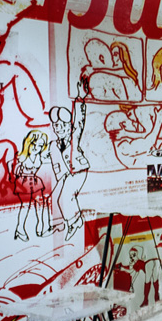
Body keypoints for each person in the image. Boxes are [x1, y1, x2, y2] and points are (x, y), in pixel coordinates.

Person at [48, 87, 89, 241]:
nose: (60, 129)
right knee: (56, 197)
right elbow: (55, 165)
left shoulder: (74, 138)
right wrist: (60, 179)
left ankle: (75, 221)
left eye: (64, 125)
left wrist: (80, 99)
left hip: (79, 170)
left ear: (69, 126)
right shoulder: (53, 145)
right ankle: (67, 222)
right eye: (57, 126)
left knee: (66, 196)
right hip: (66, 175)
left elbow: (79, 122)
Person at [10, 130, 51, 241]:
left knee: (41, 204)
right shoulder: (21, 157)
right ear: (28, 142)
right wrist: (14, 174)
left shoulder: (40, 157)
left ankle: (41, 228)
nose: (36, 147)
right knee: (25, 206)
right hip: (24, 183)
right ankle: (20, 229)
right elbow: (12, 166)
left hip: (35, 181)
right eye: (33, 143)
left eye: (40, 145)